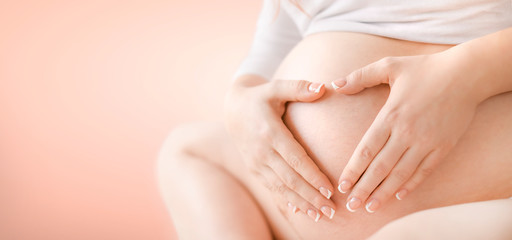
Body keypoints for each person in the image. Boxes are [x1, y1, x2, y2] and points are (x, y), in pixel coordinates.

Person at [157, 0, 512, 239]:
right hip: (308, 208)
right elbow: (282, 29)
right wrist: (242, 98)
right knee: (187, 150)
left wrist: (468, 73)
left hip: (481, 194)